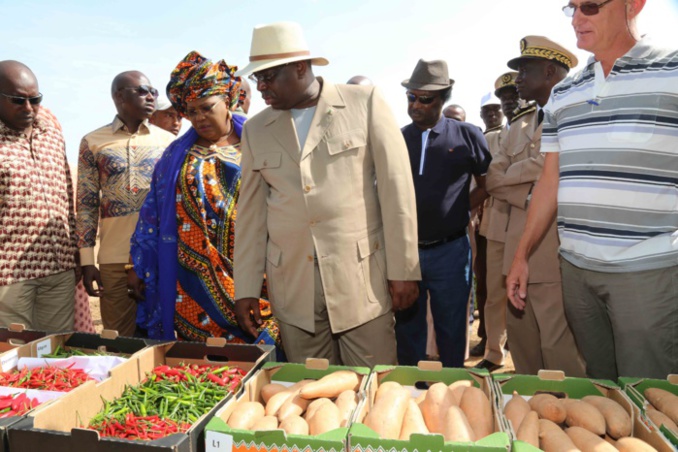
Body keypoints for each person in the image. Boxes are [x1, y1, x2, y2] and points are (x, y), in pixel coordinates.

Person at [506, 0, 678, 380]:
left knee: (650, 396)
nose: (578, 18)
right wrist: (522, 255)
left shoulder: (673, 70)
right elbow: (550, 181)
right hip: (577, 273)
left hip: (647, 271)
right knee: (603, 387)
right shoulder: (565, 92)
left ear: (634, 5)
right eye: (572, 8)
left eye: (590, 6)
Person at [233, 21, 420, 367]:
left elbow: (397, 190)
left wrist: (404, 270)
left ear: (301, 68)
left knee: (372, 385)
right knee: (309, 393)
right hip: (293, 287)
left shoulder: (363, 103)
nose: (260, 86)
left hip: (361, 283)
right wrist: (244, 288)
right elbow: (251, 214)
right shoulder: (257, 129)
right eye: (258, 77)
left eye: (269, 76)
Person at [128, 51, 282, 352]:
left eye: (207, 108)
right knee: (200, 358)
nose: (199, 118)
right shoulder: (175, 156)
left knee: (260, 346)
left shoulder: (259, 144)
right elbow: (153, 214)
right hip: (190, 279)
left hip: (253, 268)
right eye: (192, 111)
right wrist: (137, 264)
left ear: (228, 101)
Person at [488, 36, 585, 376]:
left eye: (523, 71)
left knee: (558, 351)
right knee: (524, 348)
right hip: (516, 246)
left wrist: (528, 174)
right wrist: (529, 192)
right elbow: (492, 179)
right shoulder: (519, 123)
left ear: (548, 71)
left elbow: (552, 171)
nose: (517, 80)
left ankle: (571, 414)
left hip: (552, 250)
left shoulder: (578, 113)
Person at [397, 59, 491, 368]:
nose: (416, 105)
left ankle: (451, 393)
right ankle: (410, 392)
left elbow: (487, 183)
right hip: (407, 253)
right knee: (408, 330)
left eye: (425, 99)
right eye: (412, 96)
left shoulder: (467, 135)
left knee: (451, 329)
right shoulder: (398, 139)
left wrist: (461, 210)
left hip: (450, 251)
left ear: (443, 98)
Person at [76, 71, 174, 337]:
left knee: (162, 338)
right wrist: (87, 261)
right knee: (117, 339)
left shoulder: (168, 143)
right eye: (143, 91)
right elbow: (85, 204)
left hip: (158, 257)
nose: (152, 97)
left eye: (154, 92)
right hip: (113, 259)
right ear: (119, 96)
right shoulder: (93, 142)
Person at [0, 60, 77, 331]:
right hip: (9, 274)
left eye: (35, 99)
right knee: (11, 357)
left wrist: (76, 251)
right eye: (18, 101)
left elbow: (67, 193)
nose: (29, 108)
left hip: (60, 268)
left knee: (56, 354)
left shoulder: (51, 133)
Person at [472, 72, 520, 370]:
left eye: (512, 98)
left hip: (531, 221)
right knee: (493, 294)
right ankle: (494, 353)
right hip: (497, 221)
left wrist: (504, 180)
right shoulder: (492, 137)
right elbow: (489, 180)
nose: (508, 103)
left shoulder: (539, 124)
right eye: (504, 99)